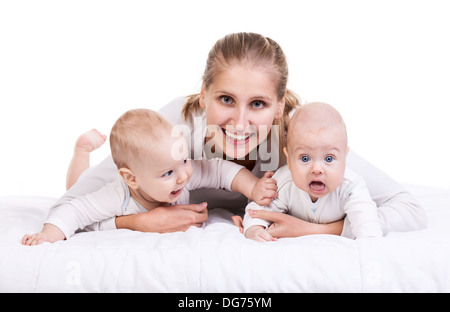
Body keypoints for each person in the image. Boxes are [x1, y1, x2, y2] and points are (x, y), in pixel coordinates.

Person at [52, 32, 426, 238]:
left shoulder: (301, 140)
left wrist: (320, 230)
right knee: (85, 179)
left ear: (281, 108)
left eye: (259, 104)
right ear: (203, 94)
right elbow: (71, 205)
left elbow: (409, 209)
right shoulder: (173, 128)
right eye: (227, 99)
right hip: (126, 195)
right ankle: (80, 154)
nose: (240, 122)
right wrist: (134, 222)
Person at [22, 109, 277, 245]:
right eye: (167, 173)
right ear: (132, 179)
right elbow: (73, 211)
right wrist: (48, 234)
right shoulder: (116, 197)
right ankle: (82, 152)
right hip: (107, 200)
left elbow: (219, 170)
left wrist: (254, 187)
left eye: (184, 161)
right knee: (78, 184)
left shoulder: (180, 171)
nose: (183, 176)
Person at [244, 102, 383, 241]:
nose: (316, 169)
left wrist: (368, 241)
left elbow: (367, 224)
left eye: (329, 158)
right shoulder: (283, 183)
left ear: (344, 157)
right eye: (305, 158)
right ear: (289, 159)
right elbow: (257, 210)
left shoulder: (351, 187)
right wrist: (254, 228)